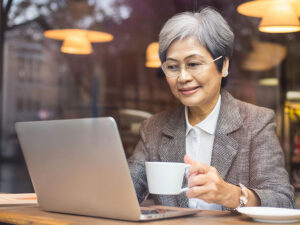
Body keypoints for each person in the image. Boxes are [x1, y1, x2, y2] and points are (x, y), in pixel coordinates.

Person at [128, 7, 294, 210]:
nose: (183, 77)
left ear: (223, 66)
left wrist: (233, 195)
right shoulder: (154, 129)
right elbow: (125, 193)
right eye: (172, 67)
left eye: (194, 64)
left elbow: (283, 201)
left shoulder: (256, 123)